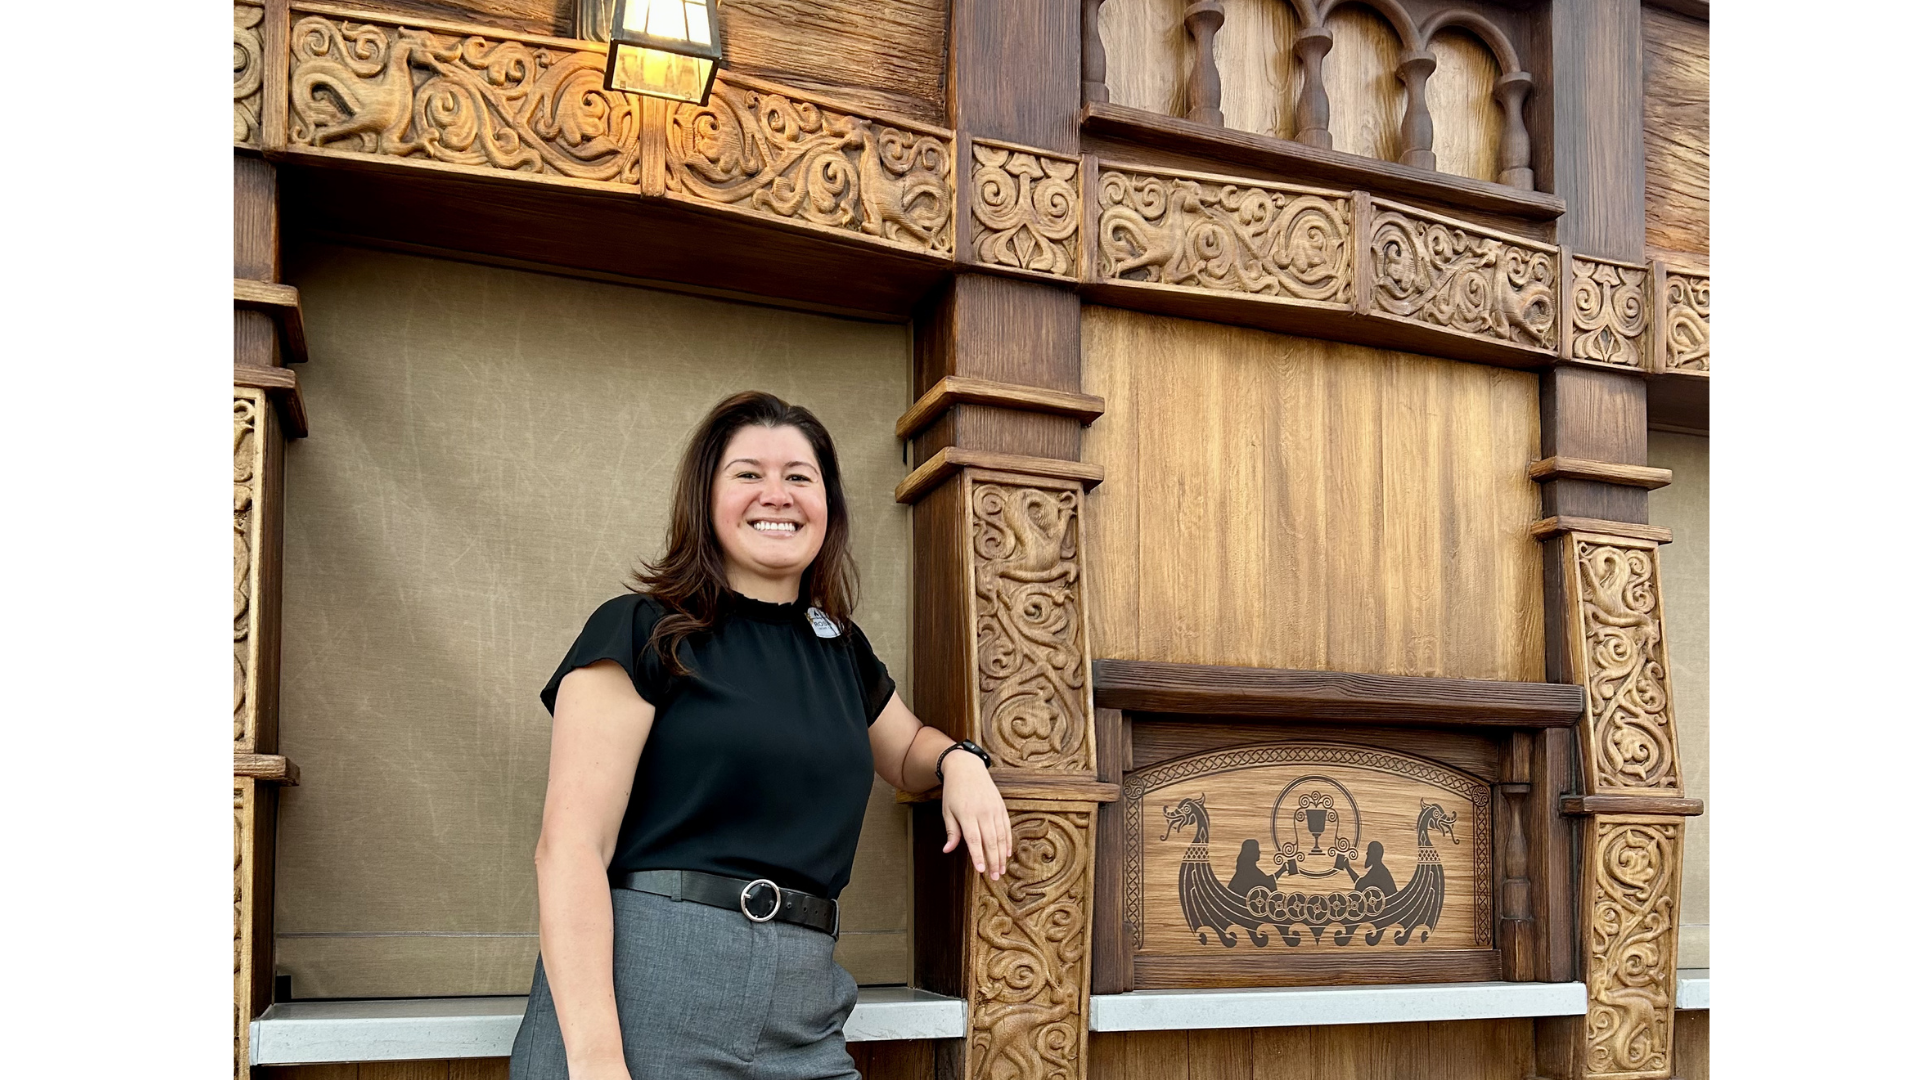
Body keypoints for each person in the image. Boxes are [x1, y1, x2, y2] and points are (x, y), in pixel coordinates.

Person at [510, 391, 1012, 1080]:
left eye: (799, 477)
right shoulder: (640, 629)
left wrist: (961, 763)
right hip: (647, 995)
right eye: (748, 474)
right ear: (705, 498)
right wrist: (597, 1062)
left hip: (805, 1006)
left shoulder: (841, 650)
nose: (776, 495)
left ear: (827, 505)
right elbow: (569, 849)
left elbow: (905, 748)